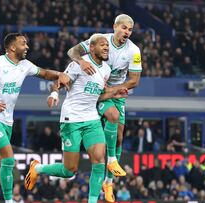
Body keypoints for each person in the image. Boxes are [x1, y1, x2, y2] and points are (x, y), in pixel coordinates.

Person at [24, 34, 128, 203]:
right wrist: (54, 93)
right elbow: (60, 80)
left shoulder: (106, 70)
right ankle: (38, 168)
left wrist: (115, 92)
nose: (106, 48)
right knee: (69, 170)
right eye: (102, 45)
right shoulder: (78, 65)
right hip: (71, 120)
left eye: (107, 46)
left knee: (99, 160)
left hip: (92, 120)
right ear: (92, 48)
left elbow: (98, 95)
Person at [0, 33, 67, 203]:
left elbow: (45, 73)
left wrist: (63, 74)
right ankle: (9, 200)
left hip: (7, 120)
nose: (27, 47)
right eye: (23, 44)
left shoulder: (25, 65)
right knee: (9, 158)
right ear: (12, 47)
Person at [67, 14, 142, 202]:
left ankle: (108, 182)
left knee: (119, 137)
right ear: (114, 26)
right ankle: (111, 160)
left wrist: (114, 89)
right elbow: (72, 51)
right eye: (124, 28)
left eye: (130, 30)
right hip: (98, 92)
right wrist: (81, 61)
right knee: (113, 115)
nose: (127, 32)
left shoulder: (134, 51)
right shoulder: (101, 40)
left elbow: (134, 80)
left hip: (116, 91)